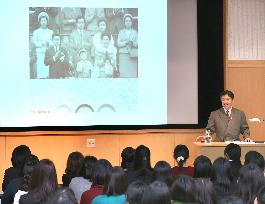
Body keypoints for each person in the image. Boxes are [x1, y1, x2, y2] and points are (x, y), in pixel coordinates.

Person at [117, 14, 138, 78]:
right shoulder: (121, 32)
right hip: (123, 54)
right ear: (124, 23)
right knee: (123, 73)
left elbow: (137, 43)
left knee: (132, 73)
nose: (128, 22)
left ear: (131, 22)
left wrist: (132, 43)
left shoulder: (135, 32)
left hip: (132, 55)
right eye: (126, 21)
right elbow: (118, 43)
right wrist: (126, 42)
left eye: (129, 21)